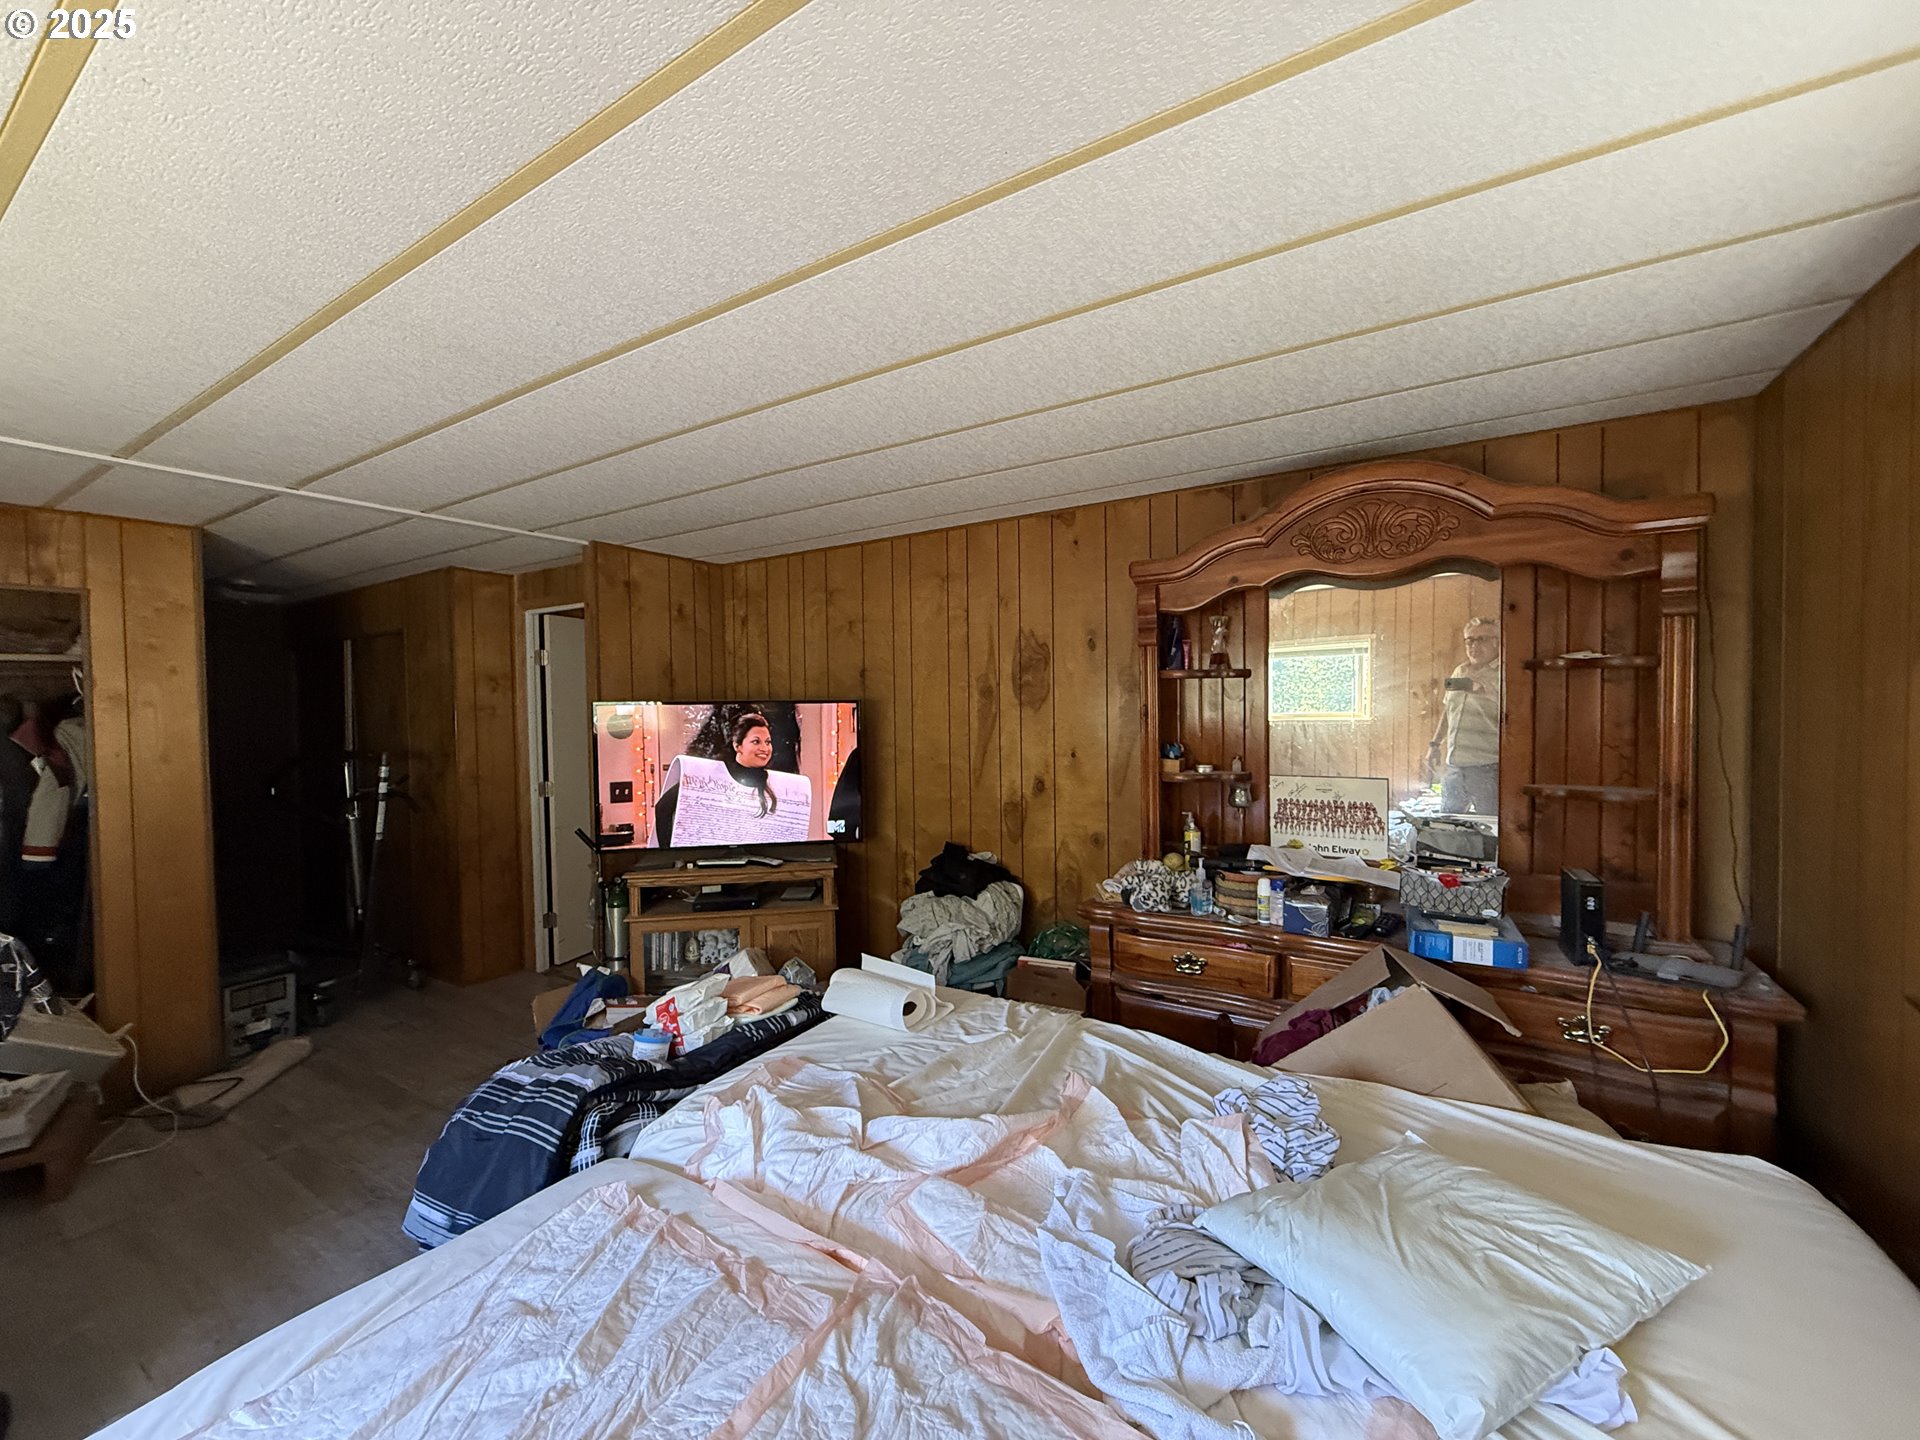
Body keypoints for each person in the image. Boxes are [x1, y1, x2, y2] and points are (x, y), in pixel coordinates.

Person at [652, 709, 792, 846]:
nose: (764, 748)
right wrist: (670, 852)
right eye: (756, 742)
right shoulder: (712, 776)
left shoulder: (778, 783)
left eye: (768, 742)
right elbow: (663, 807)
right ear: (737, 746)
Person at [1426, 616, 1501, 814]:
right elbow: (1448, 709)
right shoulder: (1459, 671)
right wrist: (1434, 745)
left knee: (1490, 825)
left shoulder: (1505, 672)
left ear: (1497, 641)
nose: (1474, 646)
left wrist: (1484, 690)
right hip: (1454, 766)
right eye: (1470, 640)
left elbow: (1514, 710)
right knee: (1450, 825)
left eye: (1482, 639)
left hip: (1488, 766)